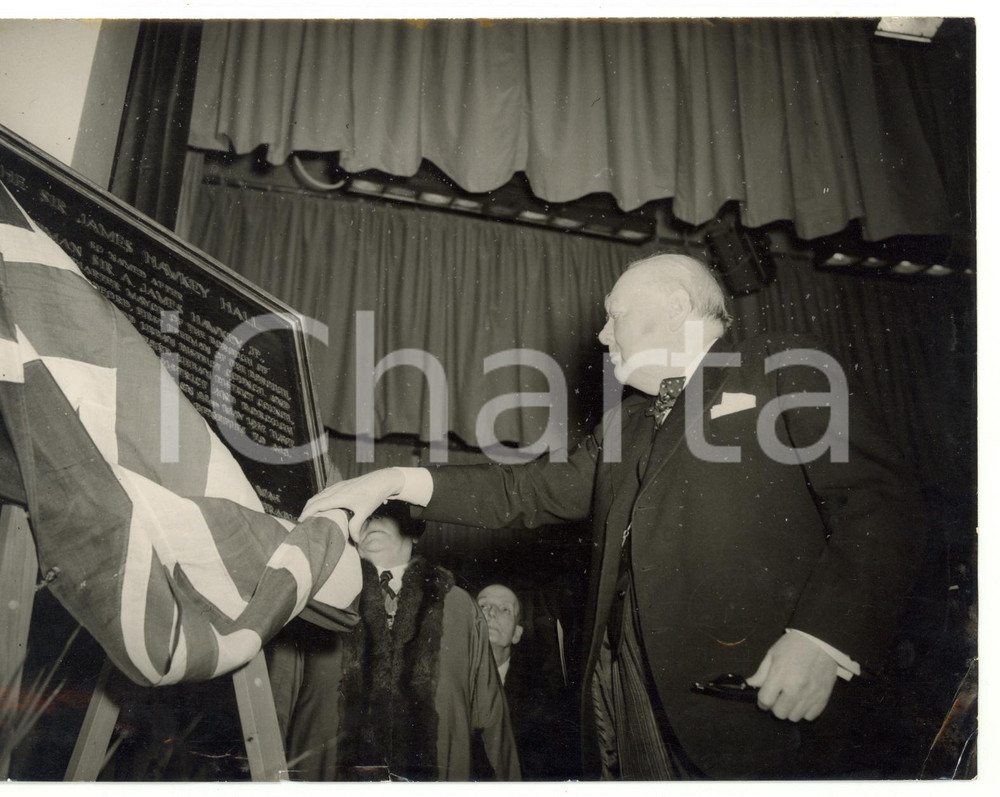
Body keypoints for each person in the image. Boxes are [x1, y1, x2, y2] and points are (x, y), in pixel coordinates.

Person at [300, 253, 924, 779]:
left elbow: (881, 502)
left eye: (614, 315)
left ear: (677, 306)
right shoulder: (623, 423)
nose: (602, 335)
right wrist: (396, 479)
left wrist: (823, 638)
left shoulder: (781, 364)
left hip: (748, 704)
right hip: (618, 699)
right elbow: (527, 490)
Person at [267, 500, 520, 781]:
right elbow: (272, 711)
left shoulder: (461, 608)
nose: (372, 519)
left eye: (388, 512)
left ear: (414, 532)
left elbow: (492, 725)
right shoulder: (315, 598)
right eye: (362, 514)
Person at [477, 583, 580, 780]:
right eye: (482, 606)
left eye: (505, 609)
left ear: (516, 634)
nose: (490, 613)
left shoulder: (544, 703)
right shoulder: (445, 689)